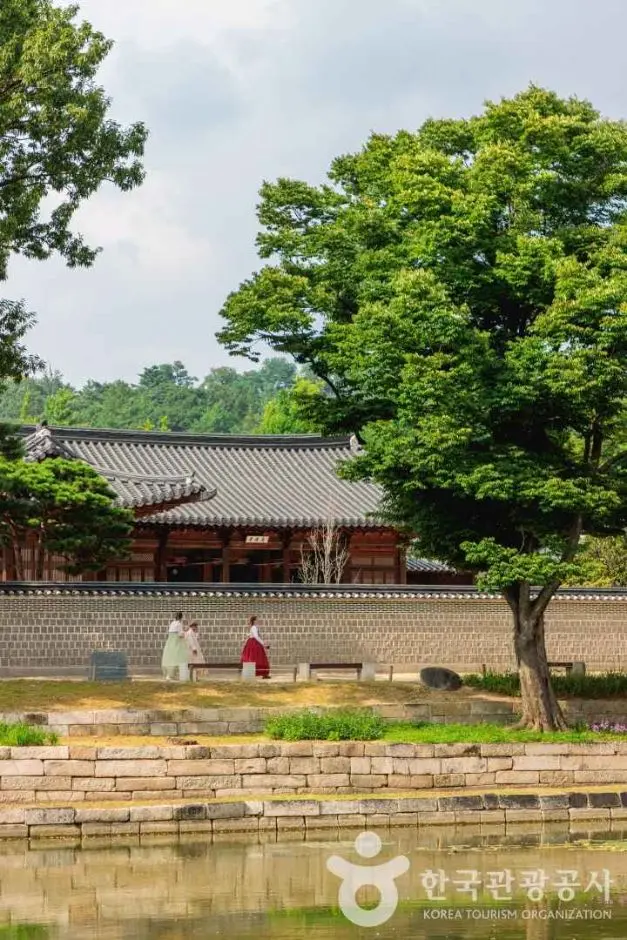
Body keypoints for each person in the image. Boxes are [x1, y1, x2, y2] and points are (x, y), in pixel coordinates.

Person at [161, 611, 188, 680]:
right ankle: (174, 674)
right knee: (178, 657)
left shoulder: (172, 623)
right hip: (176, 642)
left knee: (170, 657)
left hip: (170, 641)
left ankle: (170, 675)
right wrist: (185, 632)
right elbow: (180, 634)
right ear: (181, 617)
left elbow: (171, 632)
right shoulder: (179, 623)